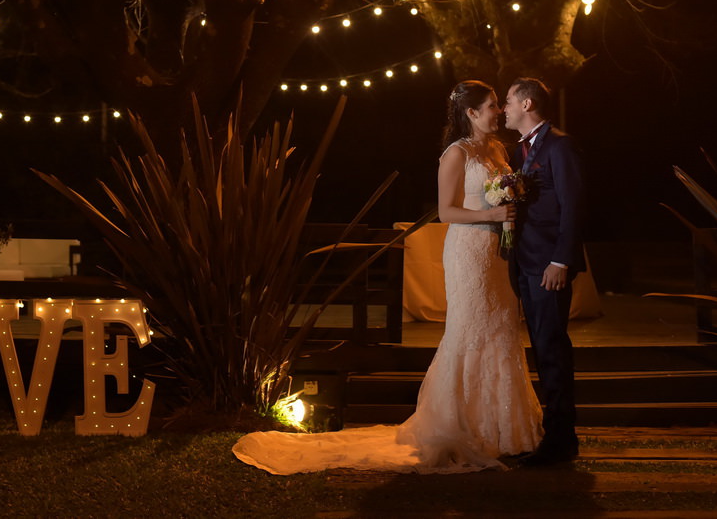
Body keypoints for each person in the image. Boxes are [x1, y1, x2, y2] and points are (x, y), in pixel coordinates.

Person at [231, 80, 542, 475]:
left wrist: (509, 207)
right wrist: (491, 215)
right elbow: (445, 212)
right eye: (493, 104)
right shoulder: (456, 154)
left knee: (499, 329)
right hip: (468, 253)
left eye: (500, 104)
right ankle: (459, 426)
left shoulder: (497, 149)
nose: (499, 110)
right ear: (472, 113)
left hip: (496, 254)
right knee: (469, 332)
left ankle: (503, 431)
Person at [503, 77, 586, 466]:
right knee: (542, 347)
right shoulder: (519, 152)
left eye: (508, 102)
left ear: (528, 103)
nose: (504, 108)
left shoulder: (559, 145)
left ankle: (561, 440)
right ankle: (550, 434)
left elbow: (573, 206)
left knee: (552, 349)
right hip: (525, 262)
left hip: (549, 265)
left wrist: (561, 260)